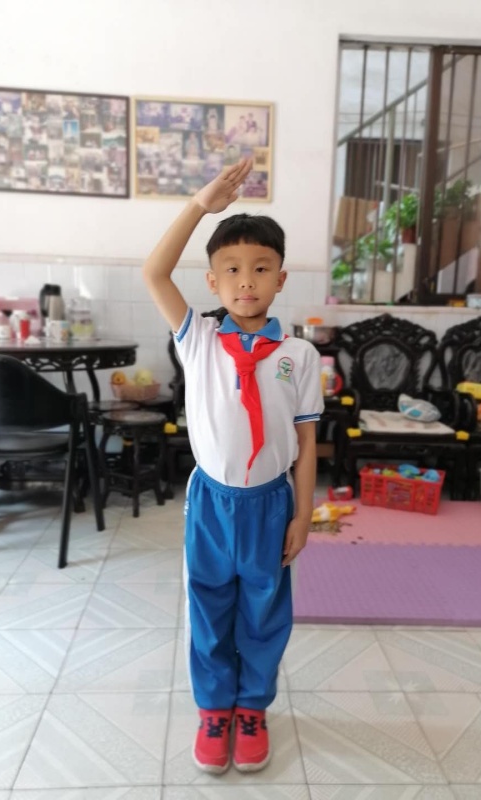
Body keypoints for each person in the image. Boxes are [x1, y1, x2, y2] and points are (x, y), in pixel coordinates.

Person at [142, 158, 322, 775]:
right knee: (209, 607)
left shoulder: (299, 355)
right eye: (233, 270)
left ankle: (252, 708)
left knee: (265, 612)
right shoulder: (197, 339)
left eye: (261, 268)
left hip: (272, 502)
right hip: (213, 504)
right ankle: (215, 709)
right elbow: (153, 272)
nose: (247, 281)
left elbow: (306, 442)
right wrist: (200, 206)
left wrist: (304, 514)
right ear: (213, 282)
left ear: (281, 278)